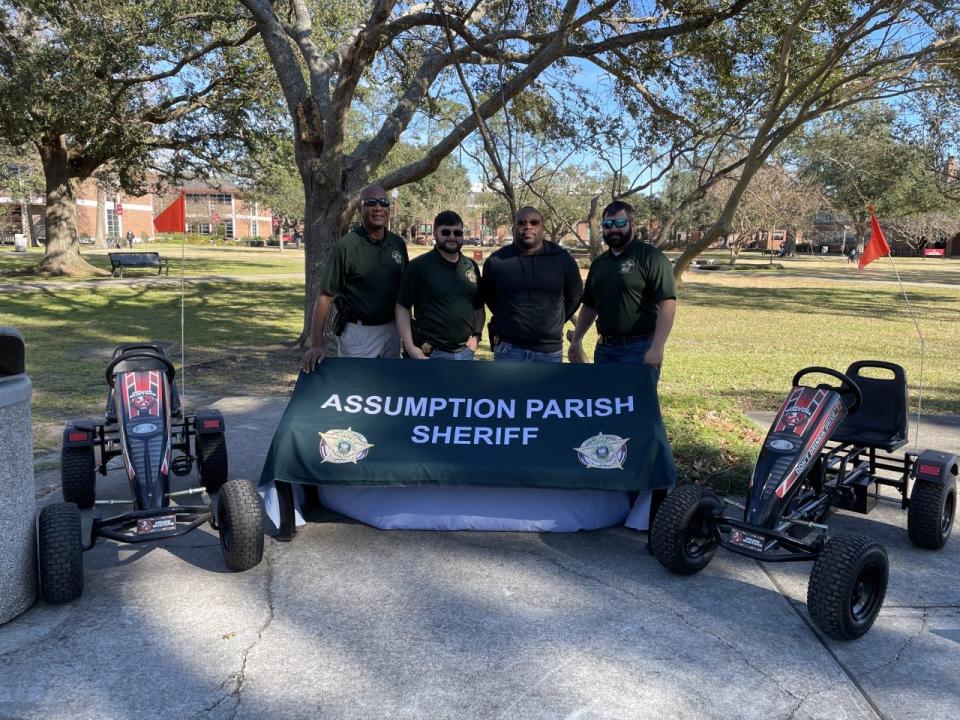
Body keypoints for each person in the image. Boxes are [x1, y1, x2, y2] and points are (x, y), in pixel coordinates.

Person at [300, 185, 408, 371]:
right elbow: (325, 296)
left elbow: (406, 292)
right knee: (358, 388)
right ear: (360, 210)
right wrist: (317, 344)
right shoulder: (346, 246)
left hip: (392, 329)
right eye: (370, 202)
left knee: (390, 388)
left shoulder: (397, 244)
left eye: (383, 202)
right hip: (358, 333)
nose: (378, 207)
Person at [568, 200, 677, 371]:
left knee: (637, 398)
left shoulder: (651, 258)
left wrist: (657, 348)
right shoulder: (599, 264)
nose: (613, 229)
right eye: (607, 224)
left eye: (620, 223)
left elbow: (668, 303)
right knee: (605, 398)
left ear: (632, 225)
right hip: (604, 349)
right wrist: (576, 340)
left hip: (639, 349)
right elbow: (589, 306)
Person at [480, 206, 582, 362]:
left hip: (549, 351)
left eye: (534, 222)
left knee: (547, 388)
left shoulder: (562, 259)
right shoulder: (496, 261)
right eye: (522, 223)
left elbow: (575, 297)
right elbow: (489, 296)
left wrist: (557, 321)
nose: (528, 226)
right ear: (514, 227)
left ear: (542, 227)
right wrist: (507, 317)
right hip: (509, 348)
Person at [396, 210, 484, 360]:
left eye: (457, 233)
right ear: (435, 234)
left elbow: (478, 306)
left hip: (466, 352)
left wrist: (476, 336)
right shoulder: (418, 266)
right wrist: (410, 347)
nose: (452, 237)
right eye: (446, 232)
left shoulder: (470, 266)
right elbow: (402, 307)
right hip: (431, 353)